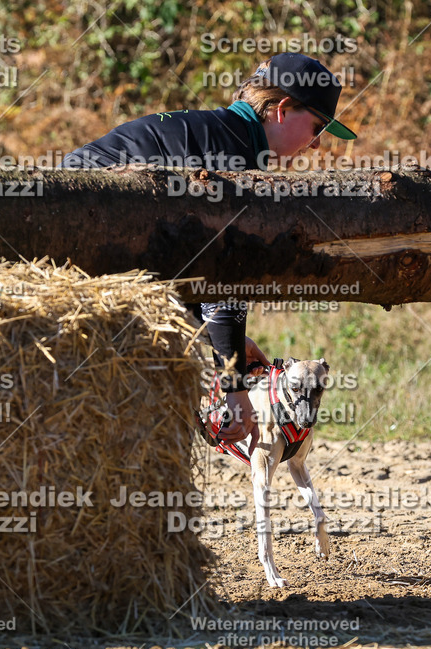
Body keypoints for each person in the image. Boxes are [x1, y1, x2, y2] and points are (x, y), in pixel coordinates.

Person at [61, 52, 357, 452]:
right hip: (70, 226)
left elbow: (184, 270)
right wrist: (234, 390)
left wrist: (222, 339)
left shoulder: (220, 134)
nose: (318, 142)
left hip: (74, 225)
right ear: (283, 110)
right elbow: (224, 279)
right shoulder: (233, 157)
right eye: (318, 126)